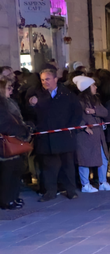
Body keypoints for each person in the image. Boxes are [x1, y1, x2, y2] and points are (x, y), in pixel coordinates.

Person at [29, 69, 83, 201]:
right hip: (47, 138)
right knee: (48, 167)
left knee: (68, 165)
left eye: (47, 79)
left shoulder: (67, 94)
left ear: (55, 79)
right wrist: (32, 105)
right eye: (42, 80)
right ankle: (50, 191)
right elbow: (31, 116)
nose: (45, 82)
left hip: (64, 136)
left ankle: (70, 190)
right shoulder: (38, 95)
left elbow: (77, 112)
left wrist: (72, 128)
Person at [73, 76, 110, 193]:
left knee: (103, 158)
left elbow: (105, 112)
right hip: (85, 136)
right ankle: (85, 184)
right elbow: (74, 117)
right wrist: (83, 126)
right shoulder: (78, 102)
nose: (95, 87)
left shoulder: (95, 100)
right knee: (84, 160)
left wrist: (95, 111)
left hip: (98, 134)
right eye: (93, 85)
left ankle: (103, 182)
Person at [0, 78, 30, 209]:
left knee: (16, 171)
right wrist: (22, 130)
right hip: (6, 144)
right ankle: (7, 200)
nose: (11, 91)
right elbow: (4, 125)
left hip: (14, 141)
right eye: (8, 88)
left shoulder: (8, 103)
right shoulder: (1, 105)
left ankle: (13, 197)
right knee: (7, 174)